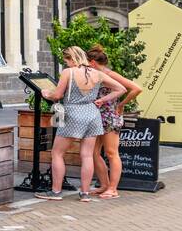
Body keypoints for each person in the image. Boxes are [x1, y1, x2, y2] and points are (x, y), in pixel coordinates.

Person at [42, 47, 125, 201]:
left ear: (72, 59)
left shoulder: (69, 72)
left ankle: (56, 192)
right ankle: (85, 194)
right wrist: (102, 100)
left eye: (66, 60)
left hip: (73, 113)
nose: (66, 64)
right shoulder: (98, 73)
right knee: (87, 155)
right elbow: (121, 89)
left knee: (57, 153)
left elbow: (57, 95)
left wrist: (47, 94)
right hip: (93, 115)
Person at [86, 44, 142, 200]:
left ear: (92, 63)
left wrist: (121, 105)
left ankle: (113, 188)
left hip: (110, 117)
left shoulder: (110, 74)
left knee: (111, 153)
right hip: (96, 117)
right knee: (93, 153)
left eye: (86, 63)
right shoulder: (94, 75)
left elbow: (136, 88)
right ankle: (104, 185)